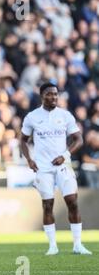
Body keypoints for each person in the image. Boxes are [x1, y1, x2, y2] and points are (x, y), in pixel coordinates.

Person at [20, 82, 92, 256]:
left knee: (73, 203)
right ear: (42, 96)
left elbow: (78, 139)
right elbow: (22, 140)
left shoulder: (65, 116)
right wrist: (29, 160)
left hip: (63, 167)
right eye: (49, 94)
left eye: (55, 94)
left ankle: (77, 245)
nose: (53, 97)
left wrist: (65, 155)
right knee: (47, 205)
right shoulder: (32, 117)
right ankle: (52, 246)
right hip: (43, 168)